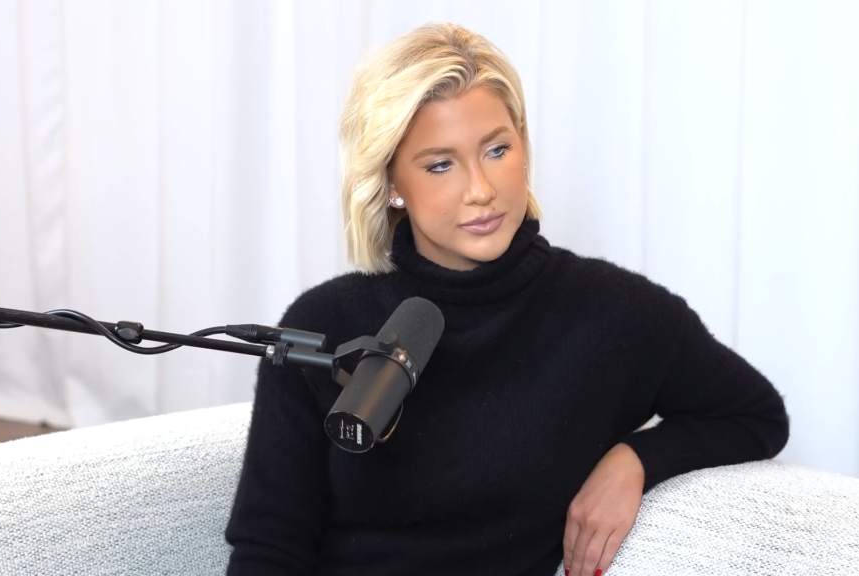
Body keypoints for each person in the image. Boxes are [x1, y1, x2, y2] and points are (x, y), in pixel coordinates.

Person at [224, 22, 790, 576]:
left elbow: (756, 415)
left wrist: (636, 458)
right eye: (440, 164)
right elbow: (269, 546)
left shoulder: (616, 314)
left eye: (496, 149)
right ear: (393, 184)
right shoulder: (322, 325)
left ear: (522, 143)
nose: (481, 189)